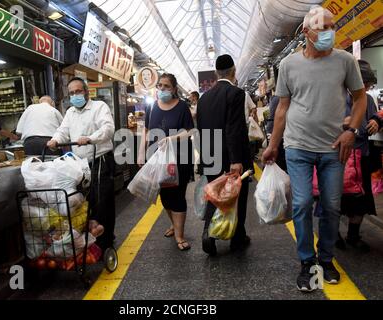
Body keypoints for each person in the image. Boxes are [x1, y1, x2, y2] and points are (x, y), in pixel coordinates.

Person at [262, 6, 367, 292]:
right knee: (302, 203)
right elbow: (282, 109)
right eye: (323, 28)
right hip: (297, 146)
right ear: (306, 33)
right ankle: (308, 263)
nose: (329, 33)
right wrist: (273, 145)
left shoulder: (345, 61)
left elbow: (359, 100)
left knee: (332, 207)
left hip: (334, 148)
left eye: (332, 27)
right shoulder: (288, 66)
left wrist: (351, 131)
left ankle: (327, 259)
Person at [47, 77, 115, 250]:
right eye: (71, 93)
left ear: (85, 91)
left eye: (78, 91)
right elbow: (63, 130)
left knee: (102, 201)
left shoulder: (99, 107)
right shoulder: (70, 112)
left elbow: (108, 129)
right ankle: (92, 238)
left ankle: (105, 242)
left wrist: (90, 138)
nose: (75, 95)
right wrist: (55, 140)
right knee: (85, 203)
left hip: (100, 160)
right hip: (80, 166)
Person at [197, 54, 251, 256]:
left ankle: (207, 234)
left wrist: (205, 159)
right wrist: (236, 160)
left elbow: (201, 130)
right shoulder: (236, 93)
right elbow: (234, 128)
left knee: (214, 194)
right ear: (234, 71)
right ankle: (237, 238)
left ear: (215, 74)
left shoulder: (203, 99)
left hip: (210, 155)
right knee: (237, 196)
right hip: (231, 156)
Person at [138, 73, 194, 251]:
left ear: (174, 89)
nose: (162, 89)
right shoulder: (153, 106)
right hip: (158, 159)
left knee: (177, 195)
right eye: (160, 86)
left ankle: (179, 234)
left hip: (180, 158)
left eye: (166, 86)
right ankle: (174, 224)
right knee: (164, 197)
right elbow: (146, 130)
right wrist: (141, 153)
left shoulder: (182, 107)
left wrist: (172, 139)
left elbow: (190, 131)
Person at [337, 59, 380, 252]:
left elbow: (372, 119)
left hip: (361, 155)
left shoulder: (368, 99)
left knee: (361, 202)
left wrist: (376, 122)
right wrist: (344, 125)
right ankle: (332, 234)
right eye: (365, 83)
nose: (368, 87)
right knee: (334, 200)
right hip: (340, 157)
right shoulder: (335, 97)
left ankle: (353, 235)